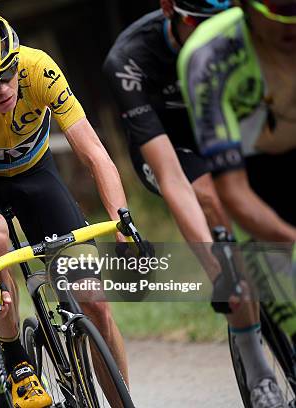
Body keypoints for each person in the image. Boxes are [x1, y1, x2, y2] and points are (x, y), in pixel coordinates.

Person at [0, 11, 132, 407]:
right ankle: (13, 354)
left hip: (36, 172)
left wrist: (122, 222)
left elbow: (94, 153)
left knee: (94, 302)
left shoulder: (38, 68)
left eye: (7, 74)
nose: (3, 87)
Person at [104, 2, 289, 407]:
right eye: (200, 24)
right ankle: (259, 374)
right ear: (170, 10)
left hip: (226, 122)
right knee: (212, 201)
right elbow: (174, 181)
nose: (212, 34)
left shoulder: (253, 31)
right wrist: (218, 271)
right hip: (172, 144)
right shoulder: (130, 59)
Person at [178, 1, 296, 406]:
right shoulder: (209, 56)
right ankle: (256, 361)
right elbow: (230, 194)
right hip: (251, 166)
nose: (289, 20)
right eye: (279, 9)